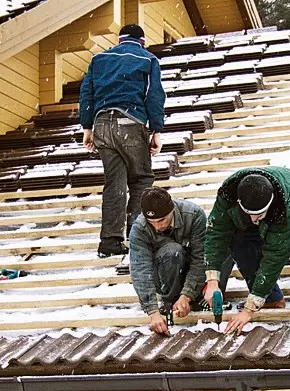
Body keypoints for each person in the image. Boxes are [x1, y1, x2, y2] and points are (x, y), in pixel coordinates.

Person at [203, 167, 290, 336]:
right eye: (250, 214)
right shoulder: (228, 194)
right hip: (262, 205)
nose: (254, 219)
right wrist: (212, 282)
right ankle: (270, 299)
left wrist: (248, 310)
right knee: (239, 241)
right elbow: (215, 233)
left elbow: (274, 258)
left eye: (259, 214)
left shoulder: (284, 206)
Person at [79, 24, 166, 257]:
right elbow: (154, 95)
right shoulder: (148, 59)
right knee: (141, 179)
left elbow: (87, 93)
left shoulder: (99, 59)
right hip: (130, 120)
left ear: (119, 40)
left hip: (102, 125)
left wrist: (87, 127)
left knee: (114, 183)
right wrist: (156, 129)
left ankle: (109, 241)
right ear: (142, 41)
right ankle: (137, 238)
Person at [129, 187, 207, 335]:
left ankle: (195, 298)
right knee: (172, 251)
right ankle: (170, 300)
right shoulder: (140, 228)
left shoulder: (194, 215)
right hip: (164, 275)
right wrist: (152, 311)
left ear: (172, 210)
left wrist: (187, 295)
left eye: (162, 220)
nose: (158, 226)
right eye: (152, 222)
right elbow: (140, 270)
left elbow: (200, 259)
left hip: (194, 273)